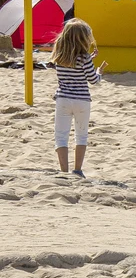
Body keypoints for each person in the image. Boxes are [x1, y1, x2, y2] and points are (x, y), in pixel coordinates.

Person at [51, 19, 104, 177]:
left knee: (61, 135)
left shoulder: (59, 56)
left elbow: (72, 64)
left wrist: (89, 60)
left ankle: (63, 171)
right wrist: (99, 72)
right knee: (81, 135)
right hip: (81, 100)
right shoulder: (84, 58)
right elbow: (93, 80)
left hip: (63, 99)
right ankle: (78, 170)